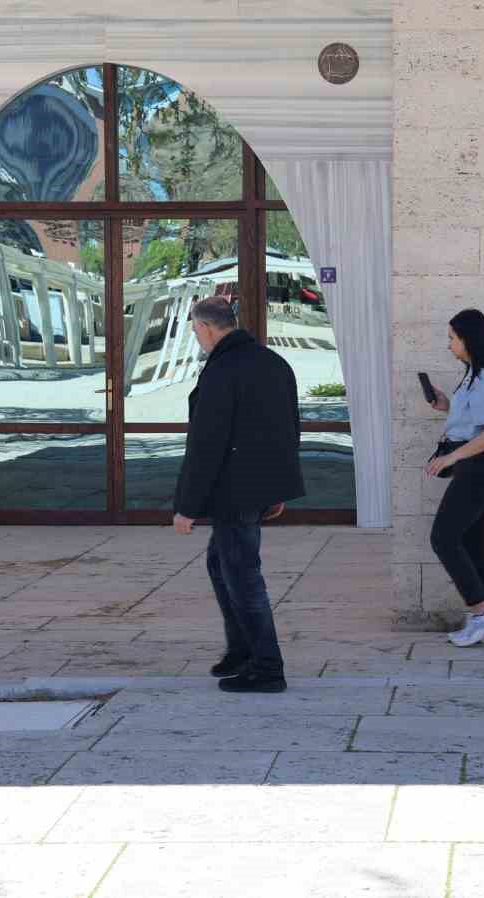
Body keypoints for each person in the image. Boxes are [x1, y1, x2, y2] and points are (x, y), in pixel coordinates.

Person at [173, 297, 304, 693]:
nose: (197, 339)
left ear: (209, 328)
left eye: (196, 331)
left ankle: (267, 666)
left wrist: (186, 507)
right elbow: (289, 431)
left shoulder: (222, 370)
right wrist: (276, 489)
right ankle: (242, 651)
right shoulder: (274, 363)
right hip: (255, 489)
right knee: (221, 565)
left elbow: (205, 445)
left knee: (243, 577)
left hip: (234, 492)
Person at [424, 309, 484, 647]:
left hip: (482, 465)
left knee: (443, 538)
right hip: (477, 465)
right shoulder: (474, 374)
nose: (449, 345)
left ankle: (481, 613)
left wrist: (452, 456)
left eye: (452, 338)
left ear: (468, 338)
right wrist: (447, 405)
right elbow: (475, 420)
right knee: (474, 544)